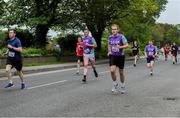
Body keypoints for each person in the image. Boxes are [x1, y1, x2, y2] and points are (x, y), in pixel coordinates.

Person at [108, 24, 128, 93]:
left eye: (115, 29)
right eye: (112, 29)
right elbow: (109, 44)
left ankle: (123, 85)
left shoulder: (121, 37)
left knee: (121, 72)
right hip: (113, 55)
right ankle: (115, 84)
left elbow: (127, 45)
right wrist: (109, 51)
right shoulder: (110, 37)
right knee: (112, 71)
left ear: (118, 30)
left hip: (120, 56)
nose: (113, 30)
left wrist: (120, 47)